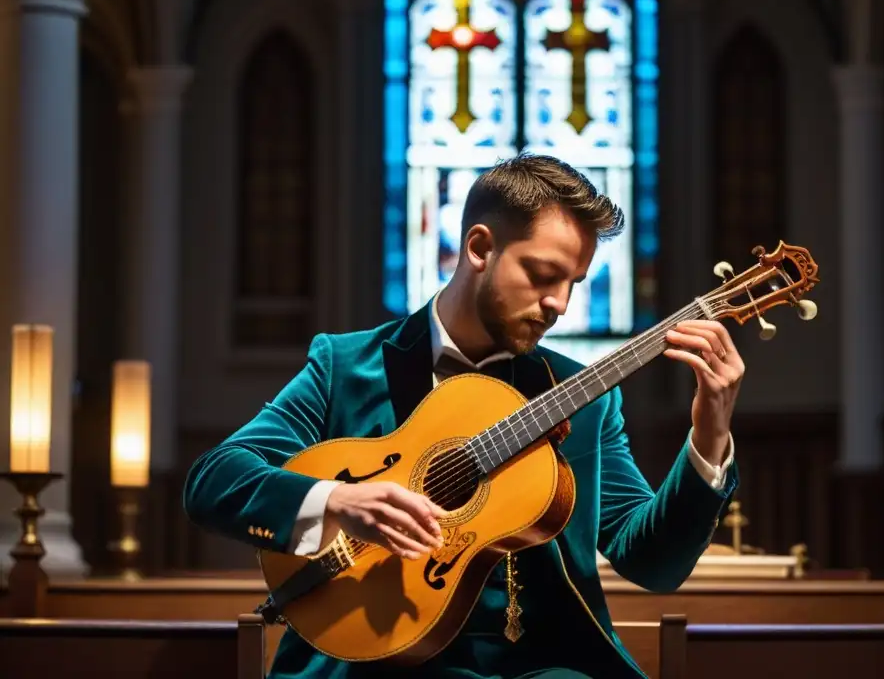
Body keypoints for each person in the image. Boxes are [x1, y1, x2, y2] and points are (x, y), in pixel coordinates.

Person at [183, 154, 742, 678]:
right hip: (371, 665)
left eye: (573, 283)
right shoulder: (347, 367)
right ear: (479, 248)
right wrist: (338, 500)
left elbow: (653, 564)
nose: (560, 305)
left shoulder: (585, 397)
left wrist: (711, 433)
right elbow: (215, 480)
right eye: (544, 275)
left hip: (537, 668)